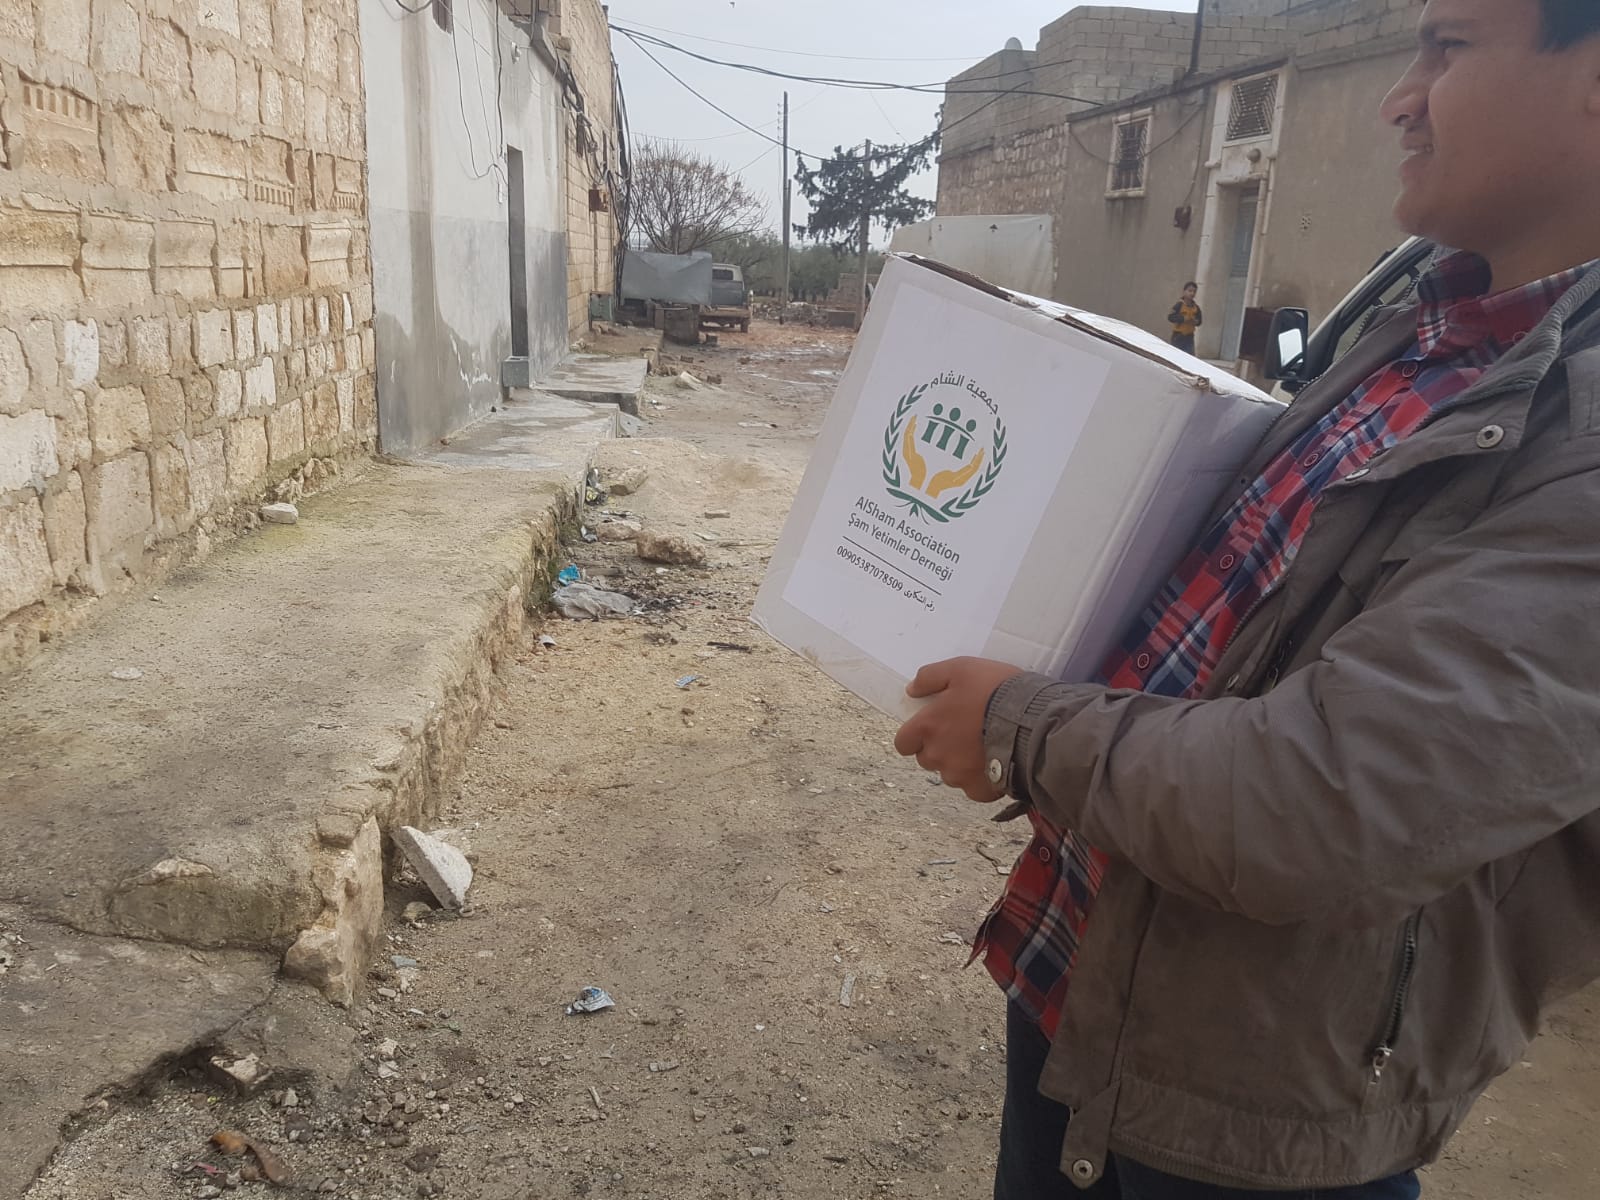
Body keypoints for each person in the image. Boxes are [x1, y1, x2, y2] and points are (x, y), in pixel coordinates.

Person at [893, 1, 1600, 1196]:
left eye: (1449, 48)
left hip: (1253, 1097)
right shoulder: (1419, 333)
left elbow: (1327, 799)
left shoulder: (1575, 437)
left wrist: (1021, 727)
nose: (1399, 98)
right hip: (1091, 978)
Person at [1166, 282, 1202, 354]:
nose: (1192, 293)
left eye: (1194, 291)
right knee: (1175, 355)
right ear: (1184, 291)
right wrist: (1183, 318)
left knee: (1189, 357)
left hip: (1189, 337)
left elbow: (1199, 321)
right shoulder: (1179, 305)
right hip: (1178, 336)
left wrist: (1195, 321)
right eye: (1190, 291)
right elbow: (1170, 317)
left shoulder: (1196, 308)